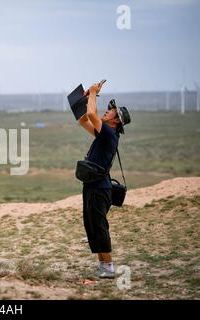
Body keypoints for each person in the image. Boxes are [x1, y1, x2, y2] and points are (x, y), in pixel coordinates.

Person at [77, 82, 131, 279]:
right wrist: (86, 98)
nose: (107, 112)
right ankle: (103, 266)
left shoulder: (109, 133)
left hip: (100, 188)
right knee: (92, 224)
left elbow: (92, 116)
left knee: (99, 226)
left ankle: (108, 268)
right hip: (93, 186)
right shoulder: (103, 133)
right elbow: (84, 120)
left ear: (116, 121)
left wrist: (93, 93)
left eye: (111, 112)